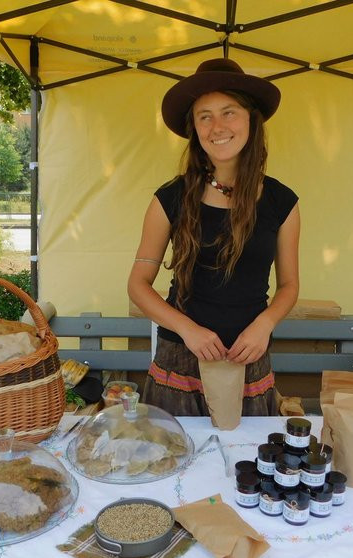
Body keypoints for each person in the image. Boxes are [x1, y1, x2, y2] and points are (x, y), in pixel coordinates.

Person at [127, 58, 300, 417]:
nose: (217, 126)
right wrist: (188, 330)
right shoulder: (169, 199)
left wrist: (264, 326)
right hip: (179, 361)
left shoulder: (283, 202)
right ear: (194, 128)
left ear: (251, 119)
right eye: (204, 115)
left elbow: (289, 286)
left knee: (247, 468)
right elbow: (138, 285)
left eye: (228, 112)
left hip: (249, 358)